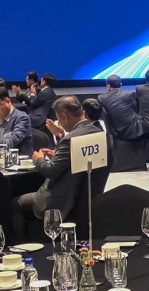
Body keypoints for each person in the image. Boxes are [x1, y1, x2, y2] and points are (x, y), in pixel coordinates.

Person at [11, 96, 101, 241]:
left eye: (59, 119)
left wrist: (38, 159)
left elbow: (51, 171)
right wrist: (60, 139)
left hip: (58, 198)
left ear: (64, 116)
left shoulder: (70, 139)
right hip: (85, 196)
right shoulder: (97, 132)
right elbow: (79, 159)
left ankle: (21, 246)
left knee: (15, 204)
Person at [98, 75, 144, 140]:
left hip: (117, 133)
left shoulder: (101, 98)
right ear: (120, 84)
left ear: (108, 86)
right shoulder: (128, 95)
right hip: (134, 132)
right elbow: (136, 110)